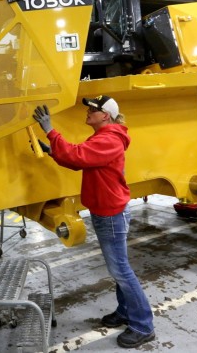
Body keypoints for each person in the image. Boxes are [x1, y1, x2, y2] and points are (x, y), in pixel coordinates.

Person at [32, 96, 155, 348]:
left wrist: (50, 131)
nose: (88, 112)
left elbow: (78, 156)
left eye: (93, 110)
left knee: (120, 270)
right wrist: (53, 149)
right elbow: (78, 161)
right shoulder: (104, 137)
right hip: (106, 210)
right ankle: (125, 312)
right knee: (118, 269)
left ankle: (143, 325)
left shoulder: (109, 139)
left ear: (105, 116)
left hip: (110, 214)